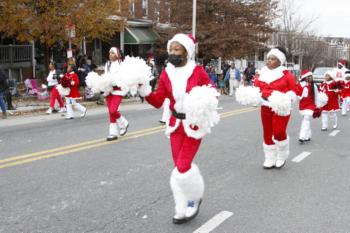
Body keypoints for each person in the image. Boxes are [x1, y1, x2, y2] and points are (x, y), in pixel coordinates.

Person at [138, 33, 215, 224]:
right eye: (170, 49)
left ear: (186, 51)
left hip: (194, 124)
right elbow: (158, 101)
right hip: (175, 125)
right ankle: (181, 205)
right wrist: (144, 89)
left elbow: (212, 93)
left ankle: (193, 199)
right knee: (179, 170)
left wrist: (201, 101)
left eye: (176, 49)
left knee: (182, 166)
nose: (172, 52)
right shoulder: (166, 73)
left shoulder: (197, 71)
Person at [253, 47, 297, 169]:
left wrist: (286, 99)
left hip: (281, 107)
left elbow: (293, 91)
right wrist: (253, 96)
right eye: (268, 59)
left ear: (279, 61)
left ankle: (282, 155)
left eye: (272, 59)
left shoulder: (286, 74)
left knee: (278, 131)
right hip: (266, 106)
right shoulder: (262, 73)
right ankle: (270, 157)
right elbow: (256, 88)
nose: (269, 61)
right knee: (267, 133)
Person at [104, 47, 129, 141]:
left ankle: (124, 123)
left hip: (118, 90)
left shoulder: (122, 64)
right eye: (109, 53)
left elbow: (124, 77)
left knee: (113, 110)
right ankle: (113, 133)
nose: (110, 54)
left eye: (112, 53)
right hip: (108, 89)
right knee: (110, 112)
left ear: (117, 54)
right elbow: (106, 75)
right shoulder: (107, 64)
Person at [296, 70, 319, 143]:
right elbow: (297, 94)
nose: (310, 77)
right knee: (306, 119)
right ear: (305, 77)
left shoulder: (313, 85)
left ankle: (302, 136)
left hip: (311, 105)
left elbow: (317, 96)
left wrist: (318, 105)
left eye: (311, 76)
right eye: (309, 76)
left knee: (306, 118)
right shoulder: (300, 85)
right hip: (303, 105)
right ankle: (308, 135)